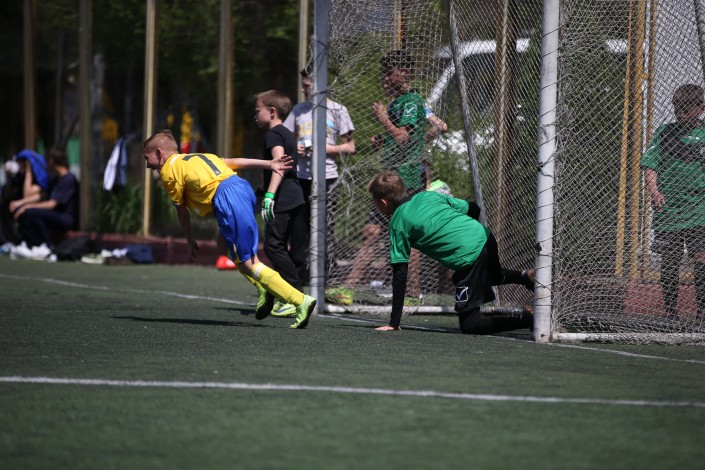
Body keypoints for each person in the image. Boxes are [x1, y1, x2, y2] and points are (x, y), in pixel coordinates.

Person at [142, 129, 316, 329]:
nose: (147, 165)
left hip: (227, 197)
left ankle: (300, 300)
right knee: (222, 243)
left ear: (159, 153)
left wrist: (190, 241)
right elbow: (233, 161)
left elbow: (182, 213)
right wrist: (269, 164)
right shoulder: (196, 157)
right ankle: (264, 288)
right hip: (241, 188)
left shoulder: (168, 171)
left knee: (250, 263)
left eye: (147, 158)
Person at [367, 170, 534, 334]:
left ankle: (527, 319)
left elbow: (400, 273)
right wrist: (463, 233)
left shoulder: (397, 223)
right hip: (484, 236)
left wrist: (394, 322)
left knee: (471, 325)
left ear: (383, 202)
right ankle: (524, 276)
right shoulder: (427, 196)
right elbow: (473, 208)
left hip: (468, 256)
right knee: (492, 276)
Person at [340, 50, 428, 295]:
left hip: (406, 180)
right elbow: (398, 138)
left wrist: (382, 119)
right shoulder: (395, 102)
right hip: (389, 177)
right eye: (383, 73)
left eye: (390, 73)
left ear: (405, 73)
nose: (385, 78)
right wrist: (383, 139)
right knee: (371, 232)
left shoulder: (412, 101)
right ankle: (348, 288)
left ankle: (412, 293)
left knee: (408, 237)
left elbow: (403, 137)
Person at [283, 68, 356, 289]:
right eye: (303, 86)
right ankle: (298, 278)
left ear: (320, 84)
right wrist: (296, 148)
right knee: (299, 227)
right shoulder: (299, 111)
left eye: (307, 86)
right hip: (302, 176)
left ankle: (325, 278)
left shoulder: (338, 110)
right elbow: (286, 141)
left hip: (327, 177)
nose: (304, 90)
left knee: (325, 227)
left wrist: (323, 148)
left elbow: (350, 147)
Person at [641, 83, 705, 321]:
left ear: (701, 108)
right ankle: (671, 312)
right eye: (678, 109)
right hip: (668, 208)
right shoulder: (664, 132)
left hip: (699, 207)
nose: (681, 113)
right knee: (670, 259)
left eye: (687, 109)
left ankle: (702, 311)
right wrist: (654, 192)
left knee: (701, 256)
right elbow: (650, 164)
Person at [255, 90, 310, 318]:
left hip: (283, 197)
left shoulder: (273, 134)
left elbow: (279, 164)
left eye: (257, 111)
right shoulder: (287, 134)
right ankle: (288, 295)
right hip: (295, 195)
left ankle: (296, 296)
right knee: (283, 245)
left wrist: (269, 195)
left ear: (272, 111)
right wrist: (261, 191)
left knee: (273, 245)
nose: (255, 115)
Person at [11, 148, 77, 259]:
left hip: (65, 218)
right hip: (54, 215)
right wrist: (21, 203)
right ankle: (32, 245)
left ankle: (47, 245)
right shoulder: (55, 179)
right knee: (26, 212)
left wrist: (28, 207)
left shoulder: (68, 179)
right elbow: (41, 196)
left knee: (31, 213)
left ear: (51, 161)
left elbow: (52, 204)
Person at [1, 149, 49, 246]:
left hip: (34, 209)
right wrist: (10, 177)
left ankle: (31, 243)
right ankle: (6, 241)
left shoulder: (39, 178)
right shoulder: (19, 177)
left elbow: (28, 194)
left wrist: (28, 172)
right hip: (18, 209)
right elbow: (7, 195)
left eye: (22, 162)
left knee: (26, 213)